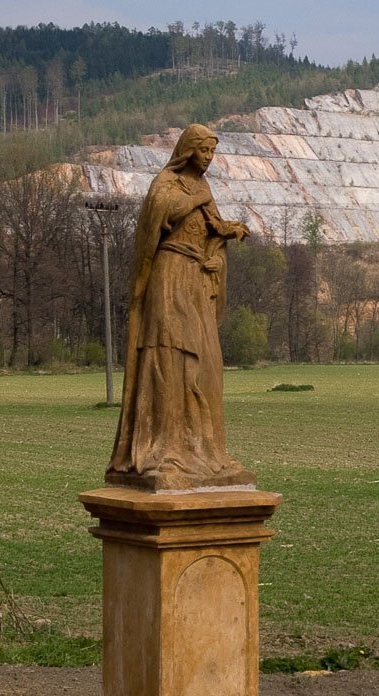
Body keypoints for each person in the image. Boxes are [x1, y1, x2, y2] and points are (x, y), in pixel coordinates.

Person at [106, 123, 254, 490]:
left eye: (212, 153)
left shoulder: (203, 189)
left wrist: (227, 233)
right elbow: (163, 215)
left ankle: (204, 449)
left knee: (206, 362)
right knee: (170, 357)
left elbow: (213, 228)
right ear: (188, 151)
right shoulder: (166, 183)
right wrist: (198, 202)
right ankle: (166, 448)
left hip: (193, 281)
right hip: (168, 276)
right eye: (203, 152)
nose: (208, 159)